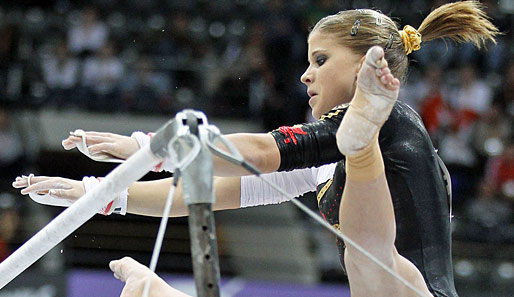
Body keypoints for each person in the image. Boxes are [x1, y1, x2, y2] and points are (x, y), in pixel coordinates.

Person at [13, 2, 498, 296]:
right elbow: (202, 195)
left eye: (321, 60)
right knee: (364, 251)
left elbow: (260, 151)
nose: (305, 74)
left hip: (413, 291)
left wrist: (150, 146)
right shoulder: (324, 160)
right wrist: (98, 193)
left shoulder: (397, 119)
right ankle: (156, 292)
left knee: (368, 253)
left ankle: (363, 149)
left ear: (363, 66)